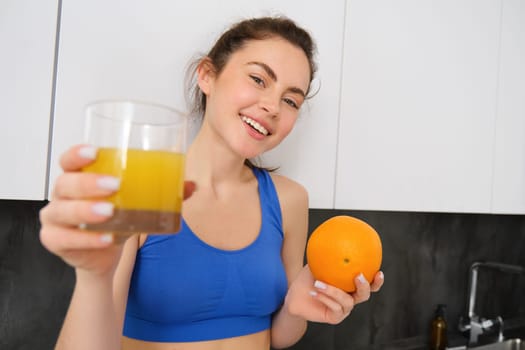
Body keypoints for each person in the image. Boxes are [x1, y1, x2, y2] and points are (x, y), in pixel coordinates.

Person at [40, 16, 384, 350]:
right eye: (259, 79)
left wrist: (297, 305)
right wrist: (92, 279)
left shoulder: (288, 200)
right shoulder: (142, 190)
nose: (272, 106)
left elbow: (276, 336)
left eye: (290, 100)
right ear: (207, 76)